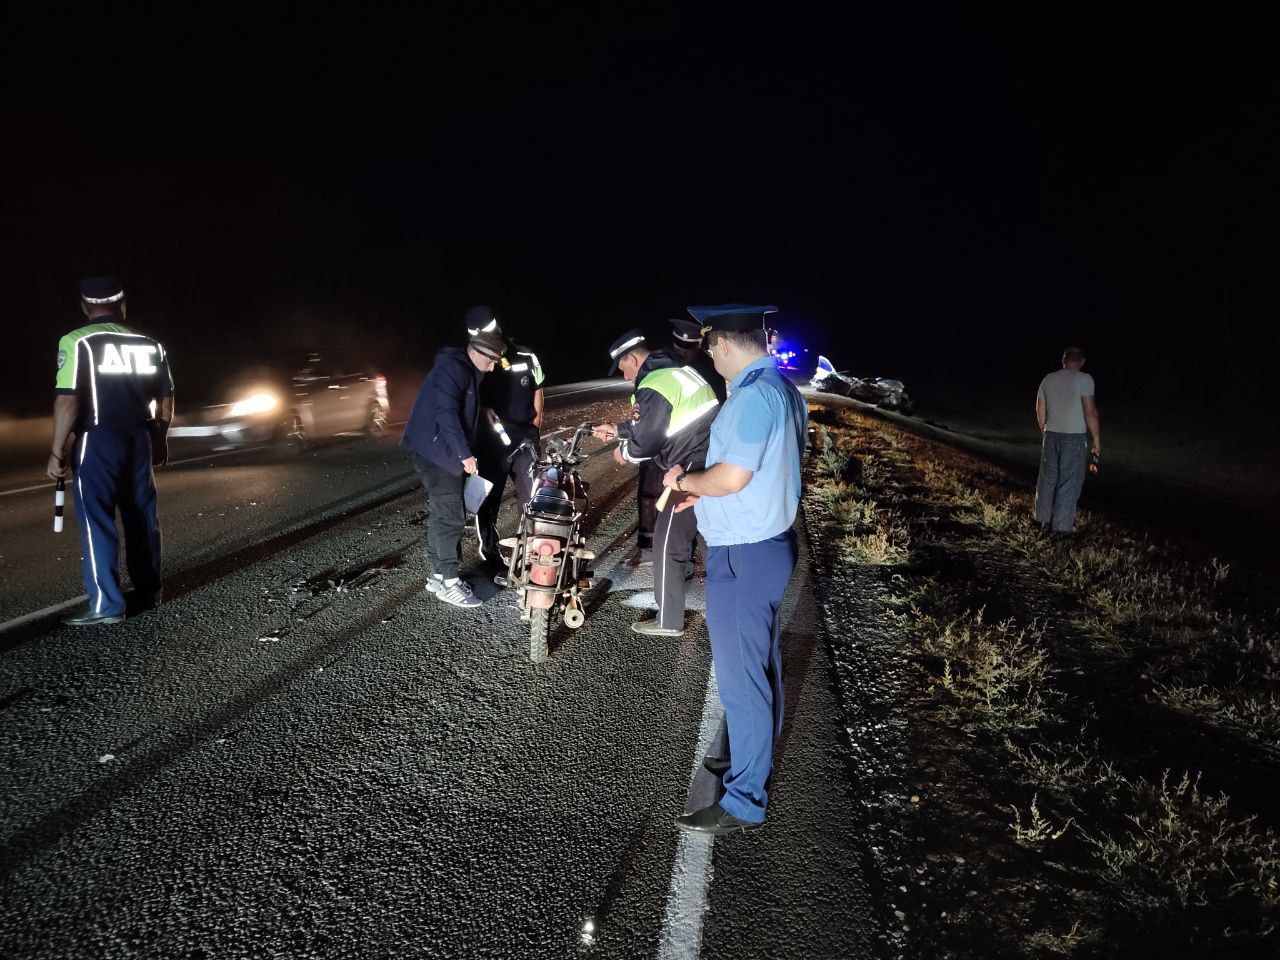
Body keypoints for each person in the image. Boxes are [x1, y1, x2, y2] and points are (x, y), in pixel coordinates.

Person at [661, 304, 807, 835]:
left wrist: (686, 482)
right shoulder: (781, 388)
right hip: (762, 545)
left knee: (743, 679)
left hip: (745, 553)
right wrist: (701, 496)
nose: (710, 359)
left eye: (709, 349)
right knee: (759, 666)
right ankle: (750, 754)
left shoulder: (752, 397)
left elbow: (733, 476)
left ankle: (745, 797)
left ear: (721, 344)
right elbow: (755, 473)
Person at [47, 277, 174, 626]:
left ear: (85, 307)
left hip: (98, 438)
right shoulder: (150, 344)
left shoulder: (77, 341)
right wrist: (160, 439)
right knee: (142, 519)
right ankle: (150, 593)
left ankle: (106, 605)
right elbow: (165, 398)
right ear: (123, 306)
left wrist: (57, 450)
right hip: (140, 437)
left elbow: (69, 399)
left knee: (97, 521)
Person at [594, 328, 718, 636]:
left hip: (688, 468)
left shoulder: (654, 382)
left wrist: (624, 451)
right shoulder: (675, 371)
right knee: (712, 538)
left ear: (632, 358)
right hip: (708, 460)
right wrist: (619, 428)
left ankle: (670, 621)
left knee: (668, 544)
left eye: (623, 368)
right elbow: (661, 419)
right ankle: (732, 598)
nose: (624, 376)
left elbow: (646, 442)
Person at [401, 316, 507, 607]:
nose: (494, 366)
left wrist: (481, 410)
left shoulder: (468, 369)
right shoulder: (453, 368)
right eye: (493, 360)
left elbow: (460, 404)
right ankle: (449, 581)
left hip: (438, 450)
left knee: (442, 512)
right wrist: (465, 455)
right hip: (438, 452)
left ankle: (437, 576)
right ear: (478, 353)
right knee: (451, 515)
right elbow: (446, 413)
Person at [469, 307, 546, 570]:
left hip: (525, 437)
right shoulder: (473, 359)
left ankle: (532, 550)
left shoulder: (524, 353)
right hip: (492, 441)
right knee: (487, 499)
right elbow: (467, 396)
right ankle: (490, 553)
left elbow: (538, 387)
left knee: (532, 496)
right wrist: (480, 412)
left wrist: (536, 425)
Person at [1034, 346, 1100, 535]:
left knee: (1047, 480)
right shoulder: (1085, 379)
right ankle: (1061, 529)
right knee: (1069, 482)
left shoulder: (1048, 379)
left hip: (1051, 434)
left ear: (1063, 360)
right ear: (1082, 361)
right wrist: (1096, 440)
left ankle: (1042, 522)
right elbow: (1090, 412)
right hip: (1074, 438)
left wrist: (1045, 430)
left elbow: (1039, 409)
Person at [670, 317, 726, 403]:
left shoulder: (712, 370)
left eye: (689, 346)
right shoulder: (664, 364)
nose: (683, 352)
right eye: (679, 344)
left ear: (699, 345)